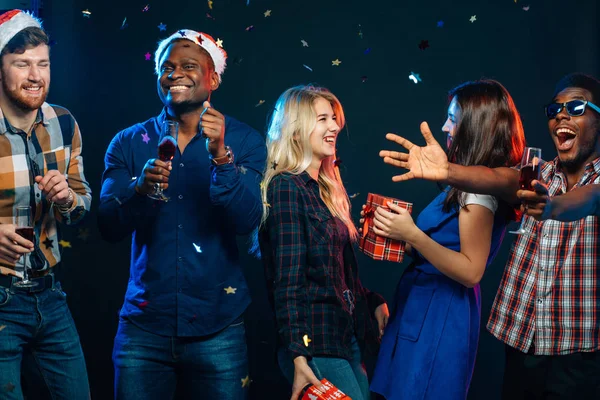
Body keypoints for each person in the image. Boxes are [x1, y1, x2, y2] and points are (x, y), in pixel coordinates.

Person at [380, 72, 600, 399]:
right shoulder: (535, 173)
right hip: (522, 344)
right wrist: (448, 172)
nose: (562, 115)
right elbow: (497, 177)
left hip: (578, 354)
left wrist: (551, 206)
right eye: (555, 110)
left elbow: (590, 198)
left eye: (577, 107)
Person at [98, 29, 266, 399]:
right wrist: (139, 190)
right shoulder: (128, 142)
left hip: (218, 328)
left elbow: (247, 221)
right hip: (144, 327)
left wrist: (221, 156)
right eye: (167, 67)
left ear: (214, 77)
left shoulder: (245, 141)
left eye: (189, 66)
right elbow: (107, 225)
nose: (175, 74)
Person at [368, 80, 525, 399]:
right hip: (423, 306)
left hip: (441, 313)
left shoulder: (478, 191)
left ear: (474, 126)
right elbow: (443, 246)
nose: (445, 126)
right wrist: (393, 233)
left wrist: (412, 234)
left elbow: (471, 271)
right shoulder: (463, 183)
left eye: (452, 118)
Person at [258, 85, 389, 400]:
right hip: (313, 344)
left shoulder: (325, 189)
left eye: (334, 119)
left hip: (345, 338)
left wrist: (372, 301)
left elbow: (336, 275)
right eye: (322, 119)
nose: (334, 127)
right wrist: (298, 356)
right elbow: (288, 283)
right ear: (297, 129)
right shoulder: (286, 188)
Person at [0, 9, 92, 399]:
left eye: (43, 64)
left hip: (49, 295)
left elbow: (83, 203)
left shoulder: (64, 122)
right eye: (22, 64)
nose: (35, 75)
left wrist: (67, 198)